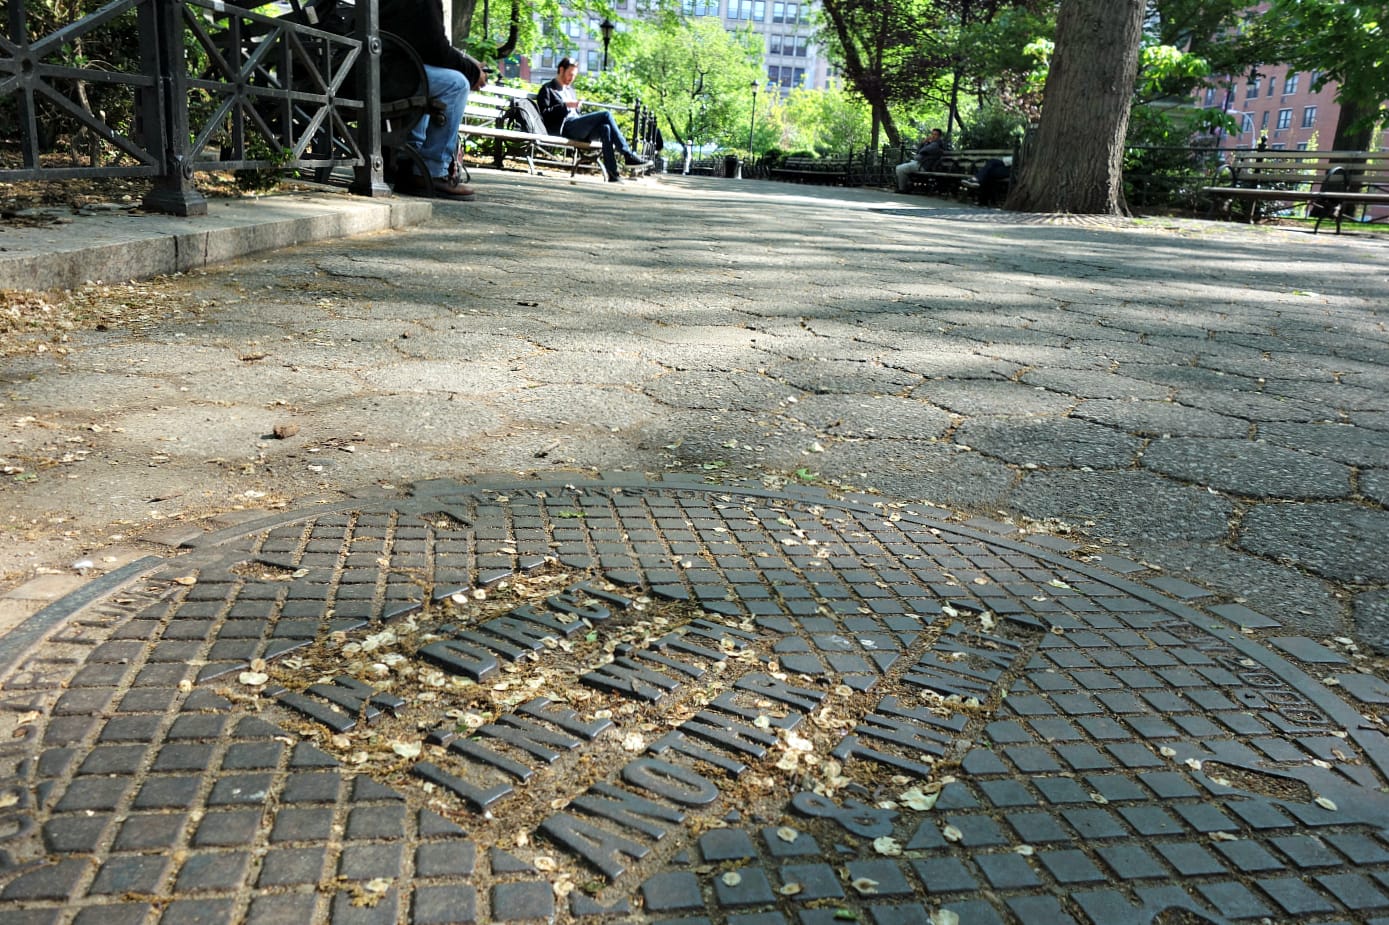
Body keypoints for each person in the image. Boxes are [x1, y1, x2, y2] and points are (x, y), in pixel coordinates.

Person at [379, 0, 487, 200]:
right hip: (391, 74)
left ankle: (410, 160)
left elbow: (426, 46)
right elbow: (435, 49)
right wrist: (472, 72)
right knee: (456, 84)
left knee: (431, 81)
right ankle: (432, 170)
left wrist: (467, 63)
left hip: (383, 67)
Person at [537, 58, 649, 182]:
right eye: (570, 74)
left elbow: (575, 113)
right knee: (606, 114)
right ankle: (627, 155)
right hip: (565, 128)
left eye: (574, 75)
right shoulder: (547, 89)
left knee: (605, 128)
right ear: (561, 70)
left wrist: (576, 107)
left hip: (577, 126)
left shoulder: (570, 91)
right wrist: (566, 106)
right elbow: (545, 114)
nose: (571, 78)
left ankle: (613, 174)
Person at [894, 128, 946, 193]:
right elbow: (919, 151)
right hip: (919, 163)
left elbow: (923, 151)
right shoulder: (930, 143)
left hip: (923, 165)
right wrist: (923, 143)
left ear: (939, 136)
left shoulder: (936, 144)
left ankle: (903, 189)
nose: (933, 136)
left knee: (900, 169)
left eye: (935, 135)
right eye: (932, 134)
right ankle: (906, 186)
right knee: (899, 167)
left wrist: (924, 146)